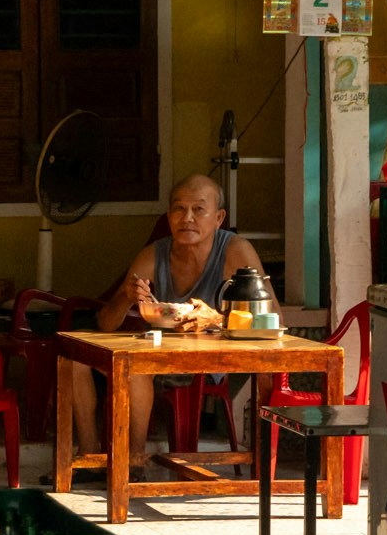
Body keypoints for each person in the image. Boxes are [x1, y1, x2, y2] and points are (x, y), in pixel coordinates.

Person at [69, 174, 270, 481]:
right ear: (168, 215)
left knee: (137, 368)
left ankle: (133, 463)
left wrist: (214, 319)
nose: (187, 218)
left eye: (198, 210)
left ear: (218, 218)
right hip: (162, 352)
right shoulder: (155, 253)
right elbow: (106, 323)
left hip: (213, 357)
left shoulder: (235, 252)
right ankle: (89, 457)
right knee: (75, 360)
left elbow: (271, 318)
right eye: (179, 209)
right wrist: (125, 296)